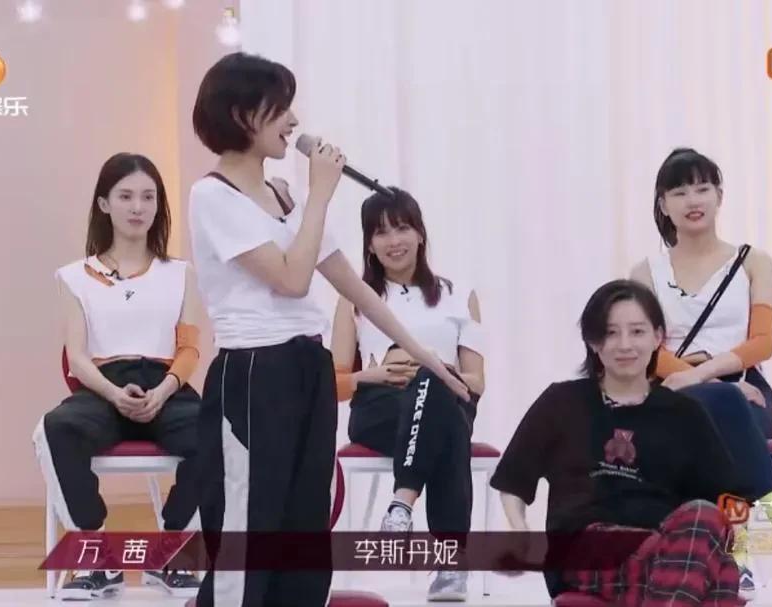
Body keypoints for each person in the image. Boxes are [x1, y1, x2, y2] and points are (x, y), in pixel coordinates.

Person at [187, 52, 469, 607]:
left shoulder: (284, 195)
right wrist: (319, 194)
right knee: (253, 520)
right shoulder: (213, 195)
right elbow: (292, 280)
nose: (294, 122)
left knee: (304, 520)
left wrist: (429, 359)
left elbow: (355, 287)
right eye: (281, 109)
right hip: (254, 370)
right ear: (242, 114)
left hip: (307, 365)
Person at [491, 279, 749, 606]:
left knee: (703, 521)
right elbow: (513, 479)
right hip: (584, 548)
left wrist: (731, 542)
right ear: (593, 341)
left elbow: (727, 501)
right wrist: (519, 530)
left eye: (637, 332)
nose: (625, 345)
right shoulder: (562, 402)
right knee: (718, 580)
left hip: (666, 548)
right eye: (611, 333)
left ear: (658, 337)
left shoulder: (684, 412)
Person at [630, 147, 772, 597]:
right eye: (679, 191)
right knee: (717, 408)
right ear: (663, 204)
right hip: (676, 393)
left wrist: (708, 377)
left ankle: (738, 556)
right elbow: (646, 350)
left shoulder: (753, 261)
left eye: (702, 188)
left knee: (720, 413)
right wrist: (710, 384)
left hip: (747, 390)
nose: (693, 200)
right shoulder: (645, 273)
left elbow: (762, 343)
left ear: (719, 195)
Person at [32, 153, 202, 600]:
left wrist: (163, 391)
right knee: (57, 428)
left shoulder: (181, 274)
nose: (137, 207)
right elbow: (78, 358)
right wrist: (113, 393)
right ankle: (96, 556)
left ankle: (172, 551)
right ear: (104, 204)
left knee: (217, 428)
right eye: (125, 196)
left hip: (167, 385)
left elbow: (188, 350)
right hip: (103, 386)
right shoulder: (75, 276)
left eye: (148, 197)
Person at [330, 188, 484, 601]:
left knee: (436, 390)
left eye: (402, 228)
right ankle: (451, 567)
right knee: (448, 434)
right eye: (380, 233)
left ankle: (401, 503)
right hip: (380, 407)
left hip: (449, 398)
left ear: (420, 233)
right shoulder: (354, 299)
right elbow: (334, 383)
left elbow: (477, 381)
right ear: (369, 244)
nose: (393, 241)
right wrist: (375, 374)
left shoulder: (459, 293)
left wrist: (436, 372)